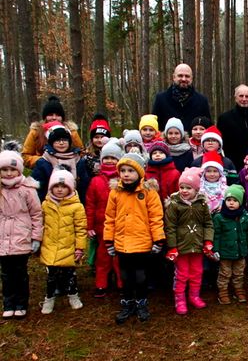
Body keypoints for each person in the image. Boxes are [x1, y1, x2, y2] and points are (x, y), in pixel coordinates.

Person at [103, 152, 166, 324]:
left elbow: (156, 217)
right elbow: (109, 218)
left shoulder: (148, 192)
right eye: (122, 170)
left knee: (140, 276)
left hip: (142, 243)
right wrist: (109, 240)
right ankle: (127, 303)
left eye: (130, 170)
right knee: (125, 276)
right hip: (122, 243)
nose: (126, 174)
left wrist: (158, 240)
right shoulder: (115, 193)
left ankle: (141, 303)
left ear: (140, 172)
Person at [164, 167, 214, 315]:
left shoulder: (202, 204)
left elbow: (208, 224)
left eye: (188, 188)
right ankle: (179, 299)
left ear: (197, 189)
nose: (184, 191)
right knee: (182, 274)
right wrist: (172, 247)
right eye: (182, 187)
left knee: (197, 272)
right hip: (181, 247)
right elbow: (170, 227)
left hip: (197, 246)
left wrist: (207, 241)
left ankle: (194, 296)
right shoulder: (174, 205)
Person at [0, 150, 43, 319]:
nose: (9, 173)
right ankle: (8, 303)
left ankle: (21, 303)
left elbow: (36, 214)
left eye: (12, 169)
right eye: (4, 170)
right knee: (6, 274)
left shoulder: (27, 189)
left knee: (20, 273)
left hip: (21, 236)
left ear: (19, 170)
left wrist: (36, 237)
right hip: (3, 237)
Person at [39, 169, 87, 314]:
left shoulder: (77, 207)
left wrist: (80, 247)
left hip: (68, 246)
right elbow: (40, 224)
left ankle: (73, 295)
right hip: (50, 246)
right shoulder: (46, 205)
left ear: (70, 188)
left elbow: (81, 229)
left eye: (64, 186)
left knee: (70, 274)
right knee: (51, 276)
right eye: (56, 186)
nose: (60, 190)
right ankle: (49, 298)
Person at [85, 138, 124, 298]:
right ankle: (101, 284)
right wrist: (90, 226)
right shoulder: (96, 181)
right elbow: (90, 205)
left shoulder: (123, 180)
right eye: (106, 158)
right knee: (103, 257)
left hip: (121, 226)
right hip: (102, 227)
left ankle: (122, 284)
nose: (109, 161)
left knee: (120, 258)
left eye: (113, 158)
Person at [212, 185, 248, 304]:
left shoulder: (244, 216)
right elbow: (216, 235)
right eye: (229, 200)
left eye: (235, 200)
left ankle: (238, 289)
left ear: (240, 202)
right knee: (225, 273)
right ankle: (223, 291)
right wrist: (215, 250)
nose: (231, 203)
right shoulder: (219, 217)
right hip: (225, 251)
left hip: (241, 251)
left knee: (239, 272)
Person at [22, 96, 84, 168]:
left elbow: (81, 153)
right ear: (45, 117)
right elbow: (25, 156)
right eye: (50, 115)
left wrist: (68, 160)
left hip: (68, 171)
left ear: (62, 117)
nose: (54, 118)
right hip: (43, 172)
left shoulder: (71, 132)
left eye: (58, 115)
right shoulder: (35, 132)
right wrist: (44, 161)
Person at [31, 123, 86, 202]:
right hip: (49, 205)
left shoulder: (78, 161)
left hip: (75, 204)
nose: (61, 143)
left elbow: (84, 185)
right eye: (57, 140)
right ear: (51, 143)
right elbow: (38, 188)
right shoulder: (43, 162)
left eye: (64, 140)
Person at [152, 63, 211, 132]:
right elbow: (155, 127)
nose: (183, 79)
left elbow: (208, 127)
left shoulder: (202, 101)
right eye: (180, 76)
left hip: (193, 142)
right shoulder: (161, 99)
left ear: (191, 78)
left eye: (187, 76)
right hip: (166, 142)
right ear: (174, 77)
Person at [81, 114, 111, 179]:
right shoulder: (87, 157)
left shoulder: (113, 154)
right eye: (96, 137)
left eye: (102, 137)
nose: (99, 140)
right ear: (92, 139)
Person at [199, 150, 228, 215]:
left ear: (220, 173)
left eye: (215, 171)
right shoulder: (199, 188)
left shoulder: (225, 189)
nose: (212, 174)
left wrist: (224, 207)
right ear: (204, 173)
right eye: (208, 171)